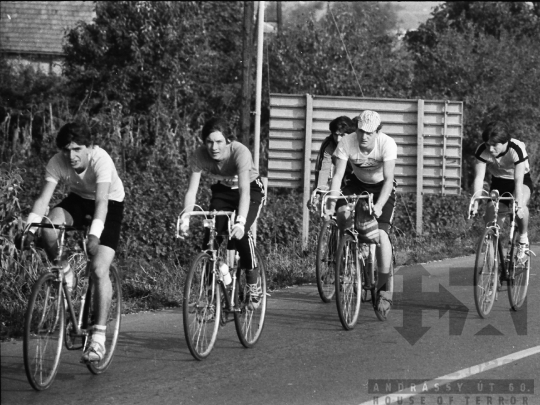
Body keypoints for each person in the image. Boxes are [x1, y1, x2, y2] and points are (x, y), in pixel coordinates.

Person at [19, 121, 125, 363]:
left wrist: (95, 234)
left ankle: (98, 338)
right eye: (67, 150)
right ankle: (65, 270)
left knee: (99, 269)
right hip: (78, 199)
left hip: (109, 203)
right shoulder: (58, 161)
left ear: (89, 147)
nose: (72, 155)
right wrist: (30, 227)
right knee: (48, 227)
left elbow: (101, 203)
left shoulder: (102, 160)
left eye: (77, 149)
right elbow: (44, 198)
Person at [180, 117, 265, 309]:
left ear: (227, 140)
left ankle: (252, 282)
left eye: (219, 141)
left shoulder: (239, 152)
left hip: (249, 191)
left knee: (240, 234)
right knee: (210, 240)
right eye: (209, 142)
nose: (214, 147)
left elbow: (244, 191)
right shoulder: (199, 155)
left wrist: (241, 222)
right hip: (223, 192)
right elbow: (191, 191)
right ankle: (211, 296)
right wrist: (185, 218)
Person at [325, 110, 397, 316]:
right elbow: (338, 175)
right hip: (356, 184)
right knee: (340, 212)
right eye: (360, 131)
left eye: (369, 133)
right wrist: (331, 200)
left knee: (382, 235)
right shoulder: (347, 141)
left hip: (381, 187)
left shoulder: (387, 144)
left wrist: (380, 205)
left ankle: (384, 290)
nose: (364, 137)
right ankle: (351, 249)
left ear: (377, 132)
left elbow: (389, 179)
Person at [471, 121, 533, 263]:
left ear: (504, 142)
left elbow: (518, 179)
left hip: (520, 180)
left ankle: (523, 239)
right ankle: (493, 264)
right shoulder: (482, 150)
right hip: (499, 182)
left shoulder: (516, 148)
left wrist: (518, 203)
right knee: (491, 218)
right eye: (487, 144)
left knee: (520, 204)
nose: (490, 149)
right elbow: (479, 177)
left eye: (494, 145)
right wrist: (475, 202)